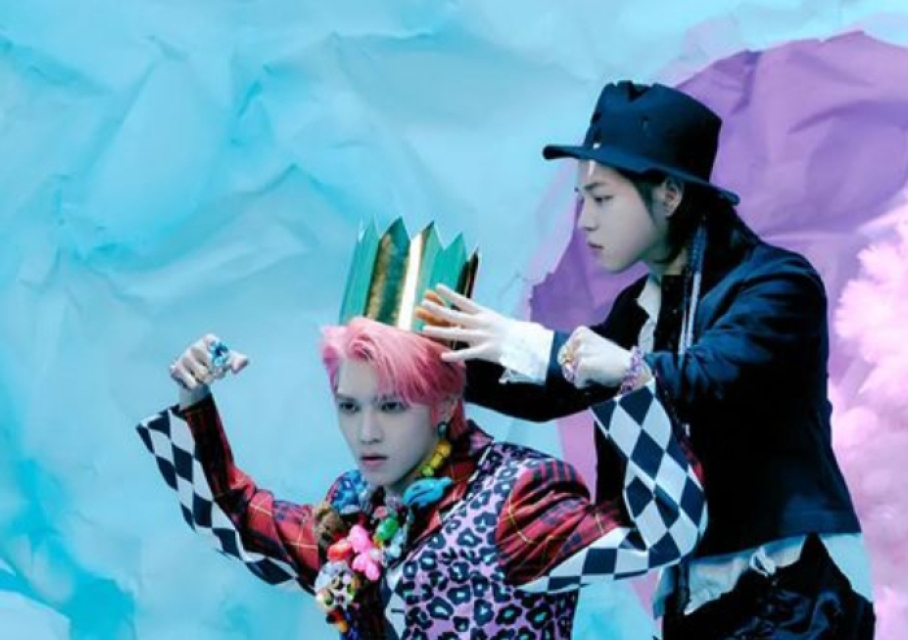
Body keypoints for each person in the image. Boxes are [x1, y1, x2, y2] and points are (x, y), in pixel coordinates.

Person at [418, 81, 875, 638]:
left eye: (602, 199)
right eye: (581, 199)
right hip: (696, 591)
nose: (584, 220)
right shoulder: (639, 307)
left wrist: (536, 344)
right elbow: (556, 389)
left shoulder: (777, 284)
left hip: (793, 583)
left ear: (670, 195)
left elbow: (707, 377)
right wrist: (439, 361)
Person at [136, 223, 707, 639]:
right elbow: (236, 521)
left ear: (444, 401)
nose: (366, 432)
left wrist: (632, 385)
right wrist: (195, 399)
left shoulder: (516, 499)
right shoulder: (357, 509)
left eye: (391, 406)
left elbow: (663, 536)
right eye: (348, 406)